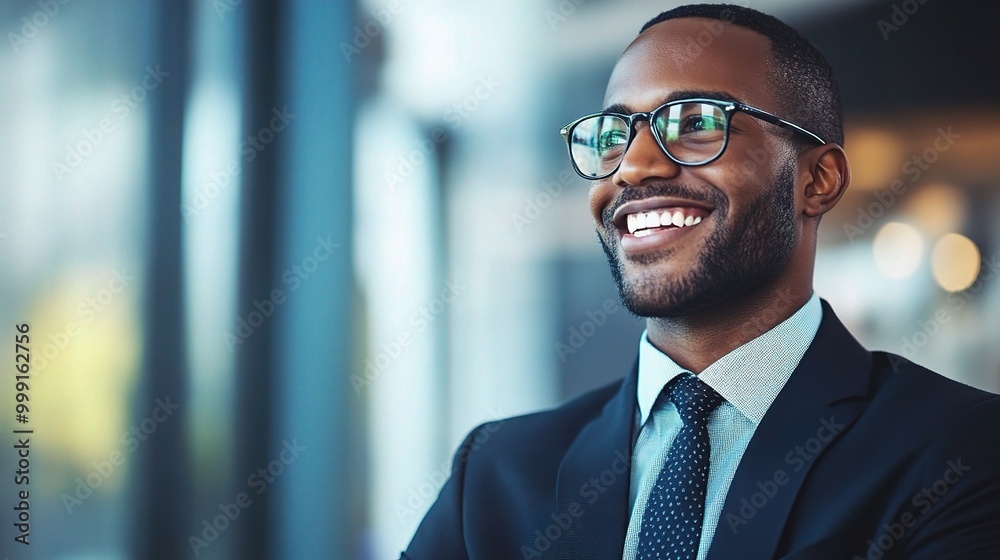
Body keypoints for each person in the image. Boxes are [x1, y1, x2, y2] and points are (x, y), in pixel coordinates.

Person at [400, 4, 1000, 559]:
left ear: (817, 180)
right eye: (613, 136)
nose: (632, 166)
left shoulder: (961, 452)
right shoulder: (495, 474)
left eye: (695, 123)